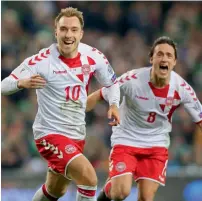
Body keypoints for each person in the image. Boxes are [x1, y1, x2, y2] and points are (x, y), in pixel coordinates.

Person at [1, 7, 120, 201]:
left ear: (81, 33)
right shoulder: (42, 61)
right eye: (63, 29)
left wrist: (114, 104)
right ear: (56, 31)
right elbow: (3, 85)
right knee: (88, 178)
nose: (68, 34)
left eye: (73, 30)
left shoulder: (94, 56)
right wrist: (20, 83)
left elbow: (112, 84)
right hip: (49, 134)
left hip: (76, 135)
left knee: (55, 190)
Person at [86, 36, 202, 201]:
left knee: (146, 198)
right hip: (127, 140)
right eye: (160, 54)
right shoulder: (132, 80)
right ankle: (106, 192)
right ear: (151, 58)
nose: (164, 58)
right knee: (121, 193)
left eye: (169, 55)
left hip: (156, 145)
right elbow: (100, 94)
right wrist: (75, 110)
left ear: (175, 62)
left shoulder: (182, 89)